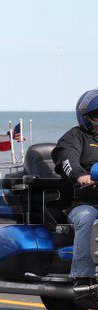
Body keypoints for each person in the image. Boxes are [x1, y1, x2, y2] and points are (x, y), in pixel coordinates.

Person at [52, 89, 98, 291]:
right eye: (97, 115)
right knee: (88, 218)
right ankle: (82, 276)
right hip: (84, 202)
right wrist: (81, 176)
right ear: (86, 118)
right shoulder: (74, 137)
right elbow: (67, 160)